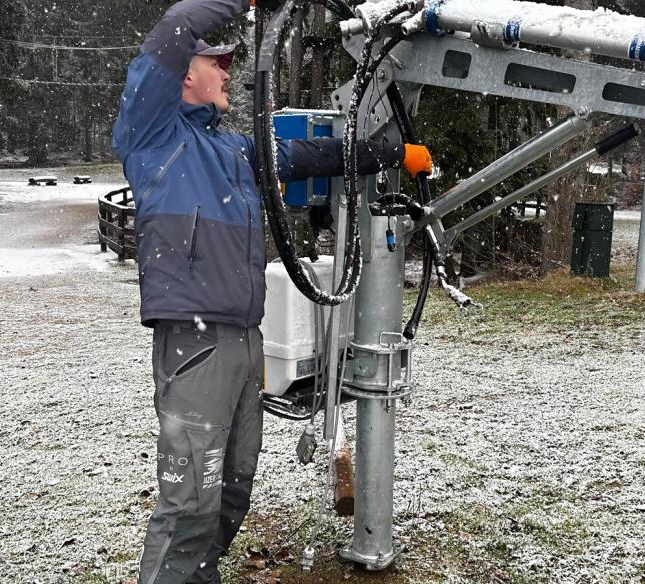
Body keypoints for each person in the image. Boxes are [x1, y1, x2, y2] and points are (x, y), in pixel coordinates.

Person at [112, 1, 432, 582]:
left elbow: (314, 154)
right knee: (190, 500)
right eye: (218, 63)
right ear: (185, 72)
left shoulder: (234, 153)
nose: (230, 72)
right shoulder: (152, 136)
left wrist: (391, 153)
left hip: (242, 341)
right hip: (195, 343)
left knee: (232, 492)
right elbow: (176, 24)